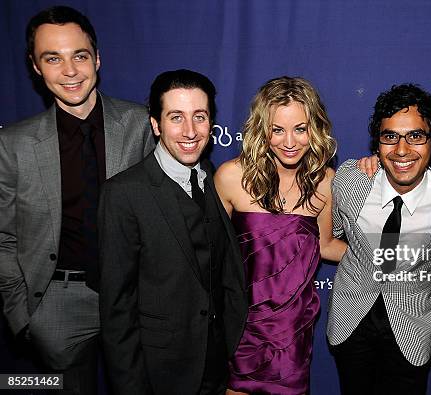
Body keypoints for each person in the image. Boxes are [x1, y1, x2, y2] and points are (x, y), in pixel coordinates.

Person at [0, 6, 154, 394]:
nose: (69, 71)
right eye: (53, 58)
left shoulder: (142, 125)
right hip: (55, 303)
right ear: (35, 67)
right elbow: (2, 238)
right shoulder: (12, 144)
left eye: (79, 56)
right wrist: (23, 316)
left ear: (97, 59)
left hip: (136, 298)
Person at [98, 69, 248, 394]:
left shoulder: (212, 177)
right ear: (155, 124)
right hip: (162, 372)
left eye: (200, 117)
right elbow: (117, 309)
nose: (190, 131)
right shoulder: (124, 194)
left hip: (218, 363)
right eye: (176, 117)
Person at [328, 83, 431, 394]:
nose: (401, 149)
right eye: (390, 137)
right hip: (350, 320)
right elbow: (336, 235)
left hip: (412, 328)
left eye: (415, 136)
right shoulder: (349, 180)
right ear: (378, 144)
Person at [214, 76, 346, 394]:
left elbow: (325, 245)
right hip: (239, 327)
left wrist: (392, 256)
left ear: (314, 129)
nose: (290, 141)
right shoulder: (231, 177)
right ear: (262, 130)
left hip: (291, 332)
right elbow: (211, 254)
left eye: (300, 129)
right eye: (277, 130)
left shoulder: (325, 182)